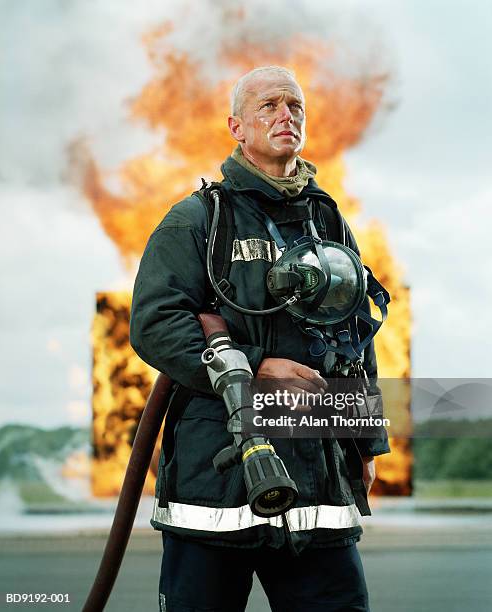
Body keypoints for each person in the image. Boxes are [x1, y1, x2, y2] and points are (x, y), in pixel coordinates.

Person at [130, 66, 390, 612]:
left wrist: (365, 440)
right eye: (268, 105)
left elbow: (354, 336)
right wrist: (255, 365)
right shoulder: (198, 219)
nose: (285, 115)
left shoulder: (329, 223)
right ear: (237, 126)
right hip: (215, 486)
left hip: (317, 483)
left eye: (294, 106)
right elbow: (154, 323)